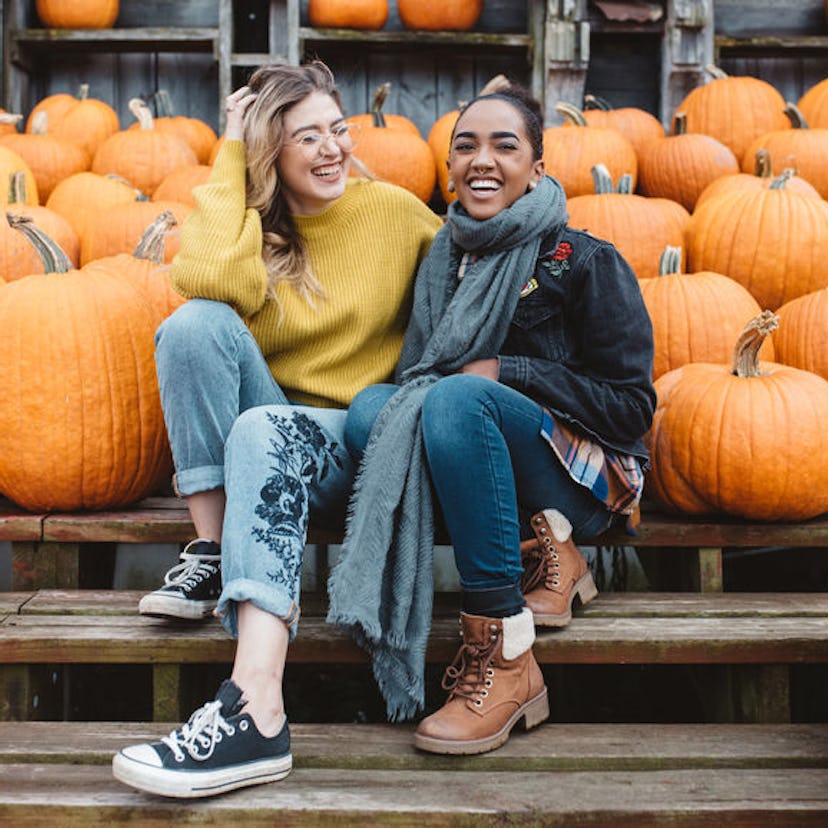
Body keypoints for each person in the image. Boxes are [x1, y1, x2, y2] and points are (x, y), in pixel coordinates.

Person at [111, 60, 442, 798]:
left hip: (351, 443)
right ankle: (210, 547)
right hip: (264, 439)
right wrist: (231, 147)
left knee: (265, 427)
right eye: (306, 138)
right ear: (272, 155)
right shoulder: (253, 234)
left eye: (338, 131)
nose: (331, 150)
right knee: (191, 327)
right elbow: (205, 284)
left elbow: (472, 280)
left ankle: (255, 709)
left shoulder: (394, 211)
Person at [328, 82, 656, 755]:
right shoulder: (441, 260)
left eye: (504, 146)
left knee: (451, 398)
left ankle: (505, 654)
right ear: (448, 167)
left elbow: (631, 411)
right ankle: (544, 546)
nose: (482, 159)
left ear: (537, 169)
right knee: (370, 415)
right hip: (482, 460)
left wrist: (511, 372)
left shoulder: (584, 261)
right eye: (465, 145)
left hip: (583, 479)